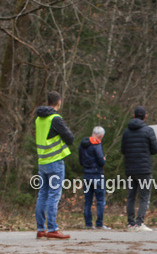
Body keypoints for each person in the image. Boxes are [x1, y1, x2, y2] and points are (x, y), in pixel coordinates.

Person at [34, 91, 74, 239]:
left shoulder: (39, 119)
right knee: (53, 196)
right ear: (59, 102)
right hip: (55, 162)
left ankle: (40, 229)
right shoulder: (55, 118)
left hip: (42, 161)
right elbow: (70, 138)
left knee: (42, 194)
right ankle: (52, 229)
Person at [121, 106, 157, 232]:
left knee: (131, 196)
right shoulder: (148, 131)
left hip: (130, 169)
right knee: (144, 196)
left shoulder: (126, 131)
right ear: (145, 116)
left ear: (133, 116)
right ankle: (139, 223)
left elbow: (123, 150)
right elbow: (155, 150)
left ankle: (130, 224)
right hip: (144, 169)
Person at [79, 126, 108, 229]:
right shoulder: (97, 144)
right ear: (100, 136)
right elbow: (101, 161)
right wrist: (103, 159)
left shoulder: (82, 144)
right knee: (100, 200)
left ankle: (88, 224)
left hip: (86, 174)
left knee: (88, 201)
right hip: (97, 175)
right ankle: (99, 224)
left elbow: (81, 161)